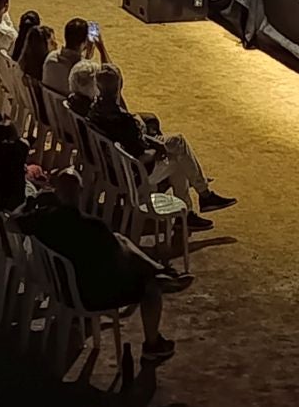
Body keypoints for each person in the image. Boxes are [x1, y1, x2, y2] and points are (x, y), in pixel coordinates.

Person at [16, 169, 183, 364]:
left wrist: (30, 202)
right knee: (151, 287)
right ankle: (152, 345)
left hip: (60, 287)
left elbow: (12, 221)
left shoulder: (43, 220)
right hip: (88, 294)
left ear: (55, 193)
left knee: (120, 241)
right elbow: (120, 261)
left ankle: (159, 271)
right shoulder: (94, 226)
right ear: (80, 191)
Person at [85, 64, 235, 222]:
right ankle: (194, 206)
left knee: (177, 141)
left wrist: (156, 143)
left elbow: (131, 139)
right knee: (179, 159)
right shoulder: (124, 121)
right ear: (120, 86)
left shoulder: (94, 110)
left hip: (113, 163)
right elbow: (142, 154)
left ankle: (200, 197)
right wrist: (159, 151)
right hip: (133, 171)